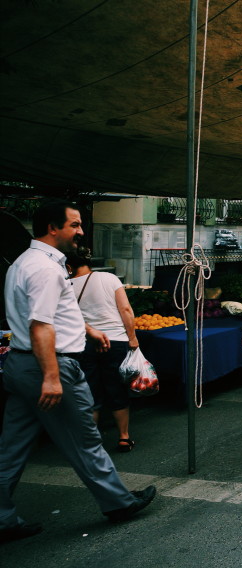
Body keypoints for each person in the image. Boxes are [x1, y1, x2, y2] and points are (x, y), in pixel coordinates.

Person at [1, 201, 156, 542]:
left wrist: (87, 330)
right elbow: (41, 326)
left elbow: (48, 314)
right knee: (85, 441)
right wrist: (52, 377)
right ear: (53, 228)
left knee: (10, 448)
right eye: (75, 225)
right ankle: (118, 502)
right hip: (49, 364)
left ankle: (2, 518)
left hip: (20, 364)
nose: (81, 231)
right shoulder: (45, 268)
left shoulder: (24, 263)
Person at [67, 247, 140, 452]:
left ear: (69, 266)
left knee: (90, 391)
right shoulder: (109, 278)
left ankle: (92, 442)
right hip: (115, 340)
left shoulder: (65, 285)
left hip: (84, 343)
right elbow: (125, 309)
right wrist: (132, 338)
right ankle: (124, 437)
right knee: (116, 388)